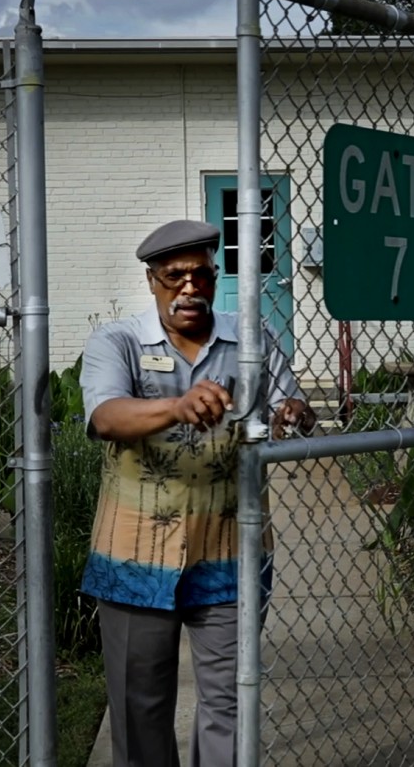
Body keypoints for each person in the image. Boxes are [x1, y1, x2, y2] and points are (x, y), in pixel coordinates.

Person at [78, 219, 315, 766]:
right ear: (152, 280)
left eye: (201, 275)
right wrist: (177, 406)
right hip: (135, 554)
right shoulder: (117, 341)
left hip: (230, 550)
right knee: (140, 707)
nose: (189, 287)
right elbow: (107, 416)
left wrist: (293, 413)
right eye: (174, 276)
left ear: (215, 277)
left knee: (230, 704)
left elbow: (289, 402)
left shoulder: (251, 339)